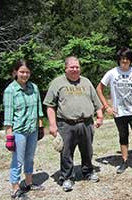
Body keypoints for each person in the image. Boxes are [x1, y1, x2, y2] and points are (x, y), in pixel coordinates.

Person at [43, 56, 103, 192]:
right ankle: (66, 177)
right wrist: (52, 125)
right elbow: (49, 105)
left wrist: (99, 115)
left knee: (87, 150)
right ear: (66, 68)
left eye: (77, 67)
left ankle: (88, 171)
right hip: (66, 124)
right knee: (66, 152)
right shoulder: (57, 83)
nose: (75, 69)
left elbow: (96, 101)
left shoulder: (86, 82)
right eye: (72, 67)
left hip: (87, 123)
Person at [96, 47, 132, 176]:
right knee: (123, 137)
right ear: (119, 60)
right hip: (119, 112)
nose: (124, 61)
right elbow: (99, 88)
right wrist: (107, 106)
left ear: (130, 60)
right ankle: (124, 161)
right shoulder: (112, 73)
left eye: (127, 59)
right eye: (122, 59)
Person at [3, 59, 45, 200]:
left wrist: (40, 126)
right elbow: (8, 116)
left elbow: (38, 108)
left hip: (32, 129)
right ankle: (15, 189)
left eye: (27, 72)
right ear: (15, 72)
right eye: (21, 72)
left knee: (30, 157)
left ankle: (28, 183)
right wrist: (9, 136)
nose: (25, 74)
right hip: (18, 131)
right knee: (17, 161)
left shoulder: (34, 87)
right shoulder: (10, 91)